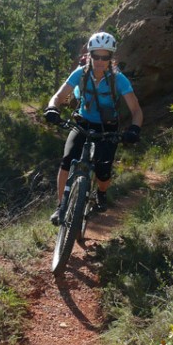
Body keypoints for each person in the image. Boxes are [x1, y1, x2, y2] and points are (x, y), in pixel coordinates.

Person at [43, 31, 143, 224]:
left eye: (104, 56)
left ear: (110, 57)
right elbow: (58, 96)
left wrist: (134, 129)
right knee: (67, 161)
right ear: (90, 55)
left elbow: (136, 110)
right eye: (95, 55)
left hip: (108, 129)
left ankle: (102, 193)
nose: (99, 60)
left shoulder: (119, 79)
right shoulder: (80, 73)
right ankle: (61, 207)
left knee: (103, 172)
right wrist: (52, 108)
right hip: (82, 123)